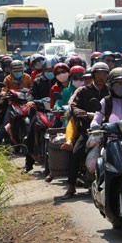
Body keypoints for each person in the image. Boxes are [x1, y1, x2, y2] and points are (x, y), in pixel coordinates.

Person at [62, 62, 110, 199]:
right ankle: (71, 186)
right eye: (98, 74)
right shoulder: (83, 91)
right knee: (76, 152)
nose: (101, 77)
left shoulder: (111, 91)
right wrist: (80, 112)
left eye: (104, 74)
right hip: (88, 130)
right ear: (93, 75)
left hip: (109, 129)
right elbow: (73, 106)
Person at [23, 57, 58, 173]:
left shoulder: (59, 82)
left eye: (52, 69)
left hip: (56, 112)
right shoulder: (37, 81)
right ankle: (28, 164)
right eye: (48, 69)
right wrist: (30, 100)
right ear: (43, 70)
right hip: (39, 111)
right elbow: (31, 93)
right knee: (30, 136)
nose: (50, 72)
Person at [0, 60, 32, 146]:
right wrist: (4, 93)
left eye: (19, 71)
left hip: (25, 103)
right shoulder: (8, 78)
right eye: (15, 71)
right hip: (12, 103)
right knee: (5, 124)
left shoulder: (27, 77)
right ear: (11, 71)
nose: (18, 73)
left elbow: (31, 88)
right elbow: (4, 89)